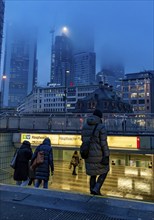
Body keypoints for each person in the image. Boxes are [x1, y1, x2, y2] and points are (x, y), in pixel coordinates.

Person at [81, 109, 110, 195]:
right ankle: (96, 189)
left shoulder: (85, 126)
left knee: (93, 174)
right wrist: (106, 155)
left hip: (88, 154)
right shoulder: (101, 127)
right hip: (99, 154)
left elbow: (83, 139)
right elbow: (104, 143)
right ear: (100, 117)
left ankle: (92, 190)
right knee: (105, 170)